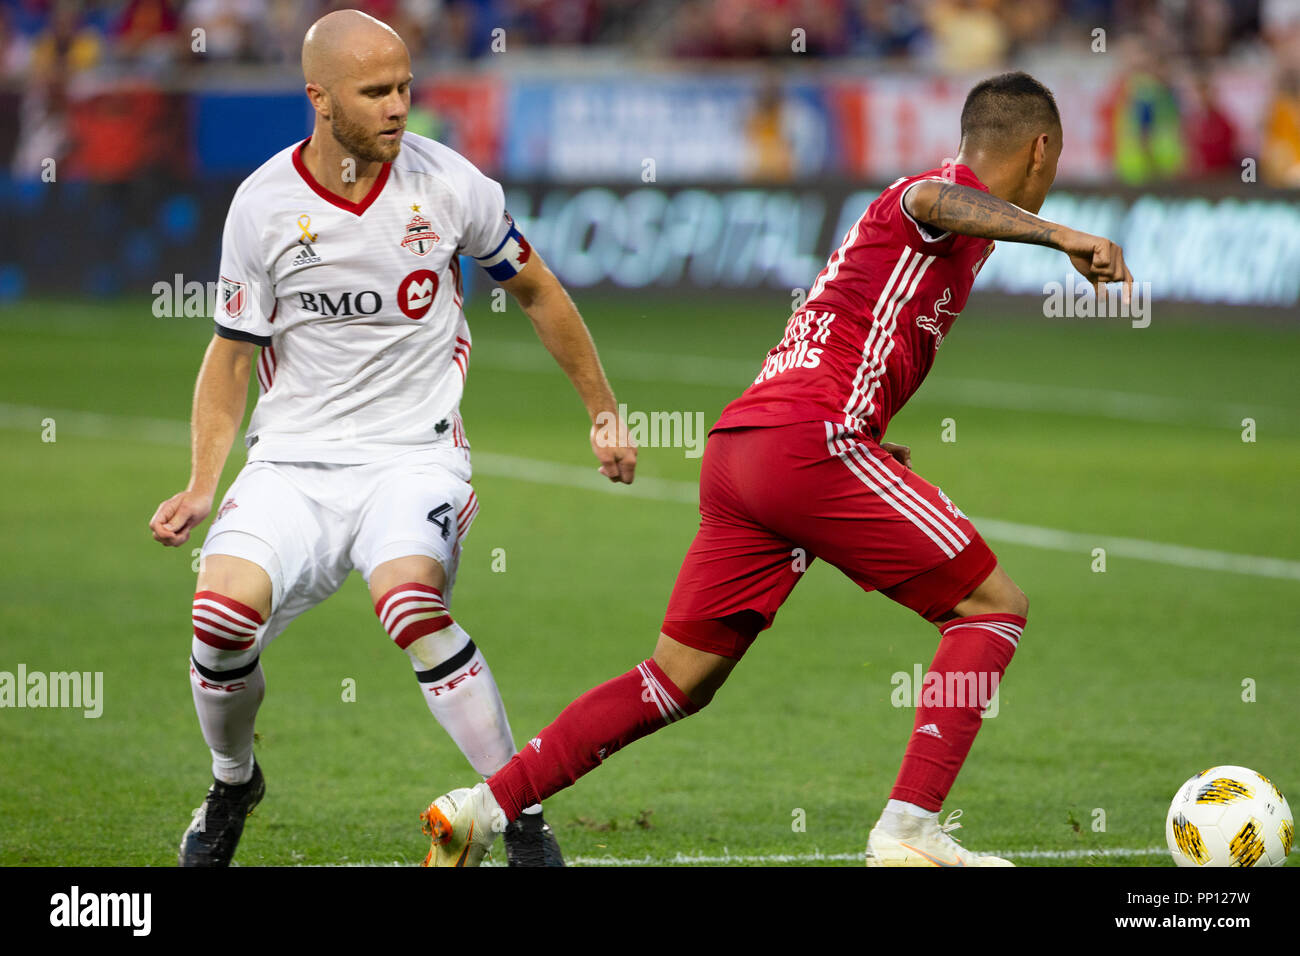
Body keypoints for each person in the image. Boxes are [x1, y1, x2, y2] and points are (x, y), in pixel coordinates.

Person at [421, 71, 1133, 868]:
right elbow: (931, 200)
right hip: (811, 443)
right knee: (991, 607)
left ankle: (482, 807)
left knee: (676, 679)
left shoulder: (941, 223)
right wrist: (1062, 234)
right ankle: (909, 829)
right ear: (1043, 151)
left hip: (745, 450)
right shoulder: (935, 196)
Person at [148, 8, 636, 868]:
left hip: (416, 456)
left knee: (410, 602)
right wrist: (201, 481)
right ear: (319, 97)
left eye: (407, 86)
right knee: (219, 624)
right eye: (376, 91)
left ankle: (519, 815)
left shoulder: (450, 185)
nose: (399, 105)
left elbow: (540, 292)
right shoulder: (262, 206)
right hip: (292, 463)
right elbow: (231, 356)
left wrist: (602, 410)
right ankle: (233, 783)